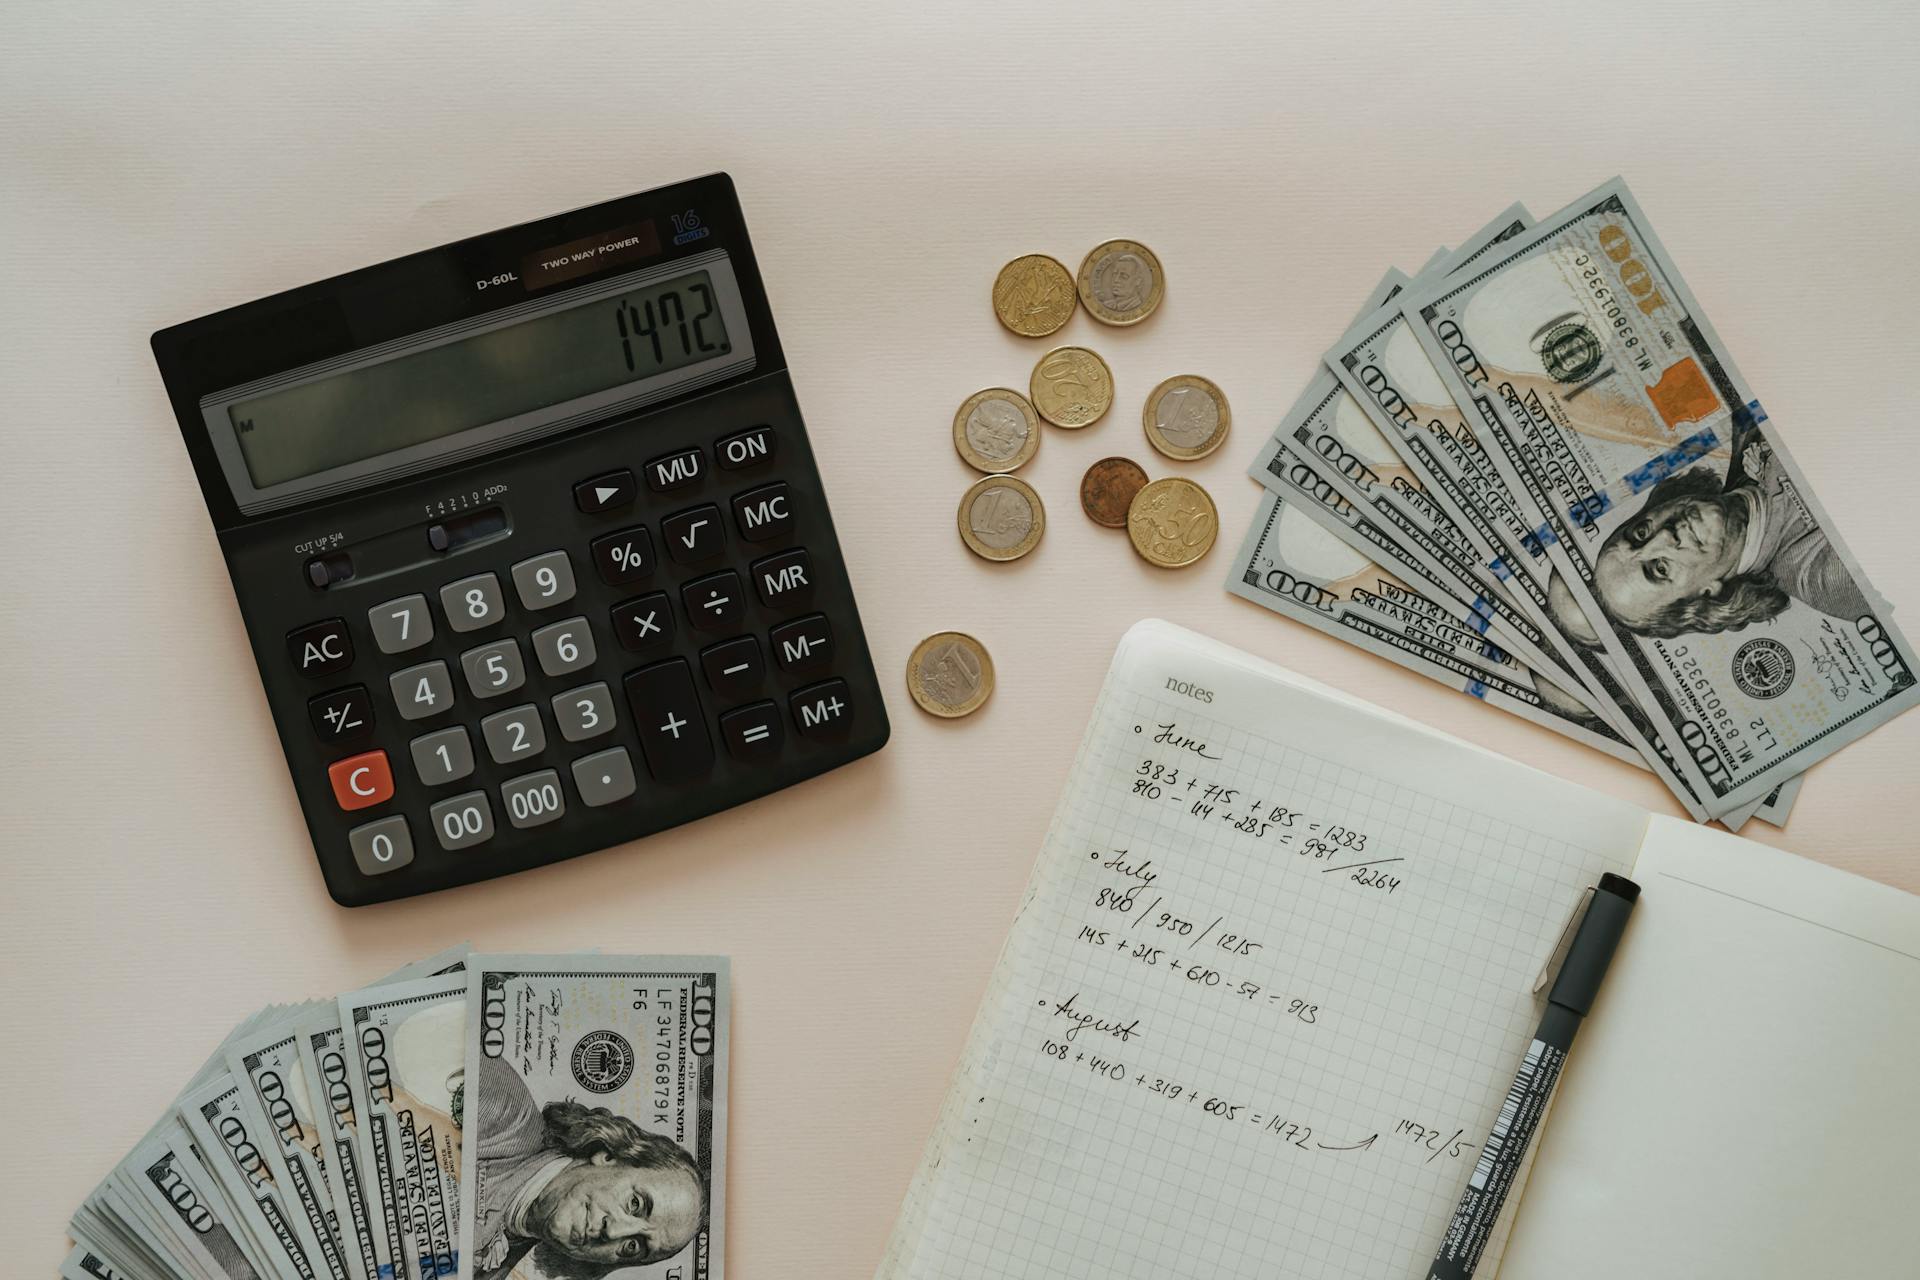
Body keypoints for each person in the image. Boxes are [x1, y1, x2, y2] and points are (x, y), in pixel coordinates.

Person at [1570, 437, 1871, 641]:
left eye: (1639, 534)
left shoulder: (1745, 430)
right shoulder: (1827, 578)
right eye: (1660, 568)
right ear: (1707, 595)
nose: (1663, 535)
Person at [468, 1053, 704, 1280]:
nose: (612, 1233)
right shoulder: (500, 1110)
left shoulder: (493, 1269)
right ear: (608, 1156)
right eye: (635, 1204)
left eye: (632, 1246)